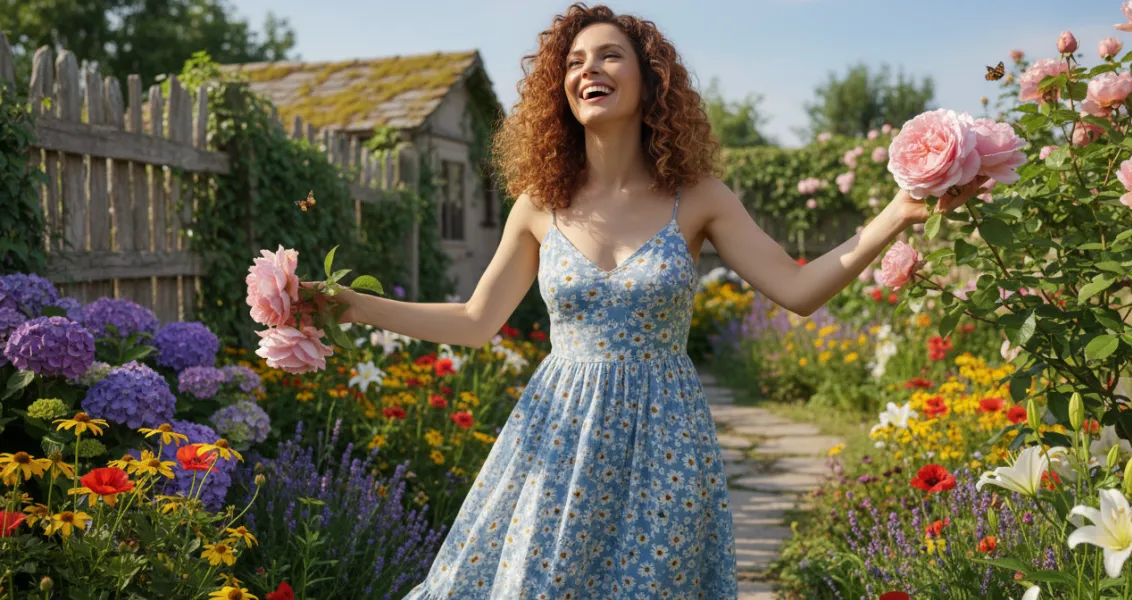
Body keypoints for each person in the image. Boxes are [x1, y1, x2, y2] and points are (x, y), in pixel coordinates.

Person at [327, 4, 985, 598]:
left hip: (666, 441)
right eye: (574, 62)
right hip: (558, 435)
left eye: (609, 55)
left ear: (650, 81)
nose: (589, 69)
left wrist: (899, 212)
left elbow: (798, 289)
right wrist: (350, 305)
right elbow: (477, 321)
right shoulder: (538, 205)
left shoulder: (698, 197)